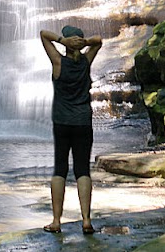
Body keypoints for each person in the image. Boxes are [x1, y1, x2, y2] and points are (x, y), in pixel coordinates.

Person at [40, 24, 103, 235]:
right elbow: (99, 41)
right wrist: (83, 43)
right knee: (82, 170)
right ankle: (86, 221)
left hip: (61, 122)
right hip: (83, 122)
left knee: (60, 169)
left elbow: (43, 35)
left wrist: (60, 40)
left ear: (67, 44)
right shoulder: (86, 62)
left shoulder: (58, 62)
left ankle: (56, 221)